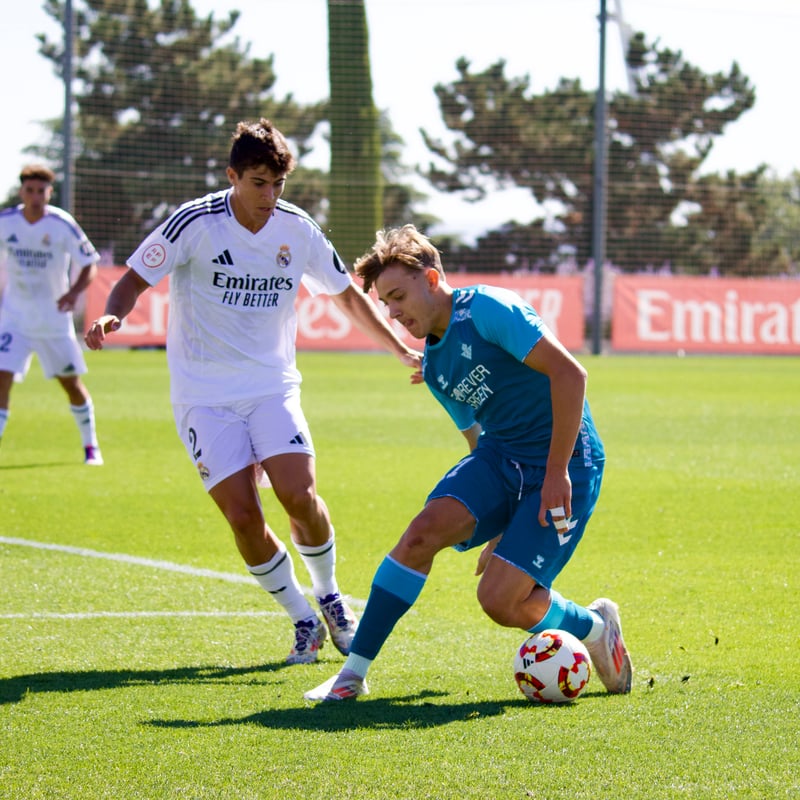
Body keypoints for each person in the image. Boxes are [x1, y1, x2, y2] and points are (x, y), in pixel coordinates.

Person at [84, 119, 421, 665]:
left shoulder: (297, 229)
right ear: (233, 176)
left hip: (271, 386)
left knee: (299, 495)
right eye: (259, 183)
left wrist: (399, 348)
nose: (270, 195)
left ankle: (330, 596)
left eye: (278, 184)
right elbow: (133, 280)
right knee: (242, 515)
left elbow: (345, 296)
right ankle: (302, 619)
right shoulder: (194, 222)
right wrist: (111, 315)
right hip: (203, 395)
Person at [305, 224, 632, 701]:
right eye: (386, 304)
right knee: (422, 533)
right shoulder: (435, 367)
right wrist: (498, 522)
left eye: (398, 297)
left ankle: (596, 628)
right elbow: (477, 441)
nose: (393, 313)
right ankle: (351, 676)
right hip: (500, 458)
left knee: (500, 601)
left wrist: (557, 472)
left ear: (431, 280)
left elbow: (570, 375)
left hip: (569, 462)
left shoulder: (487, 309)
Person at [0, 164, 103, 465]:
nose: (35, 197)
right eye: (29, 190)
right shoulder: (6, 222)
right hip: (14, 319)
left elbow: (89, 263)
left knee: (70, 384)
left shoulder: (62, 224)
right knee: (1, 378)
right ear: (22, 192)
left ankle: (91, 446)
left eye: (41, 191)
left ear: (49, 193)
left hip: (52, 321)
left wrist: (73, 293)